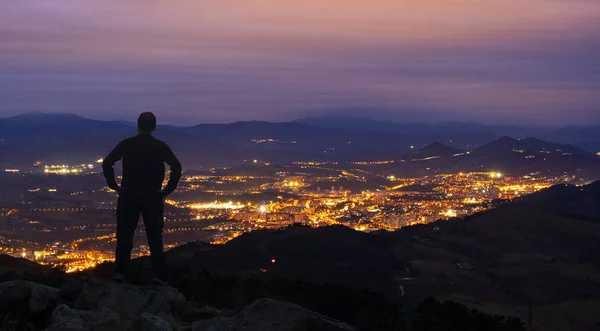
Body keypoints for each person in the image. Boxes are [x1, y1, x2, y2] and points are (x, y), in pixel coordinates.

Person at [102, 112, 182, 285]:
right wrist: (167, 190)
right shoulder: (160, 146)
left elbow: (107, 162)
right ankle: (159, 277)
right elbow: (176, 167)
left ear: (138, 125)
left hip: (128, 195)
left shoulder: (127, 144)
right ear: (153, 126)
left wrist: (114, 185)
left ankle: (121, 274)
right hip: (152, 196)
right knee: (154, 238)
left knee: (124, 236)